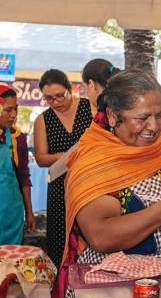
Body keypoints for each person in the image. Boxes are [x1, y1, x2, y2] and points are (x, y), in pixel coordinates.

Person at [52, 70, 161, 298]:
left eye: (159, 115)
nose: (154, 126)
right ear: (114, 116)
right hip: (122, 291)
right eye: (142, 118)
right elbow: (100, 236)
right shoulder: (96, 163)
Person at [33, 69, 93, 267]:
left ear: (70, 89)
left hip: (89, 182)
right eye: (49, 98)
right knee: (61, 238)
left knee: (90, 234)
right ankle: (61, 288)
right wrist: (70, 155)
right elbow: (41, 158)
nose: (56, 102)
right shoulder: (43, 119)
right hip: (60, 186)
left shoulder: (89, 107)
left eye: (60, 95)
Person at [0, 86, 36, 244]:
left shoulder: (17, 138)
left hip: (11, 215)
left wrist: (29, 211)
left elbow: (23, 176)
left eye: (16, 109)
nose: (13, 115)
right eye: (8, 110)